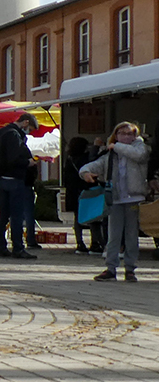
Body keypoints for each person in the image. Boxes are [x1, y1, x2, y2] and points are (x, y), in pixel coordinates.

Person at [80, 121, 151, 282]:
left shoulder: (140, 148)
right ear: (116, 135)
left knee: (131, 235)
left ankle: (130, 268)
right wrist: (85, 173)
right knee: (114, 234)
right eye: (122, 133)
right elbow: (94, 165)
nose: (126, 137)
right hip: (116, 198)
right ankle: (111, 268)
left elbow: (138, 156)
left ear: (135, 136)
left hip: (134, 198)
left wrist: (116, 146)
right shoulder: (110, 155)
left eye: (130, 133)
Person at [0, 112, 40, 259]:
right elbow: (14, 158)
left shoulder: (0, 133)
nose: (28, 132)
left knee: (3, 215)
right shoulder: (14, 135)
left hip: (0, 180)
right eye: (29, 128)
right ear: (25, 123)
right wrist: (28, 162)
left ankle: (1, 247)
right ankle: (18, 248)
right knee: (17, 216)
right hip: (14, 180)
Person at [63, 137, 100, 254]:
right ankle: (95, 243)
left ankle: (80, 243)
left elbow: (66, 178)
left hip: (73, 192)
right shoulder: (86, 158)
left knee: (77, 218)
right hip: (86, 190)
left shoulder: (69, 159)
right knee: (92, 217)